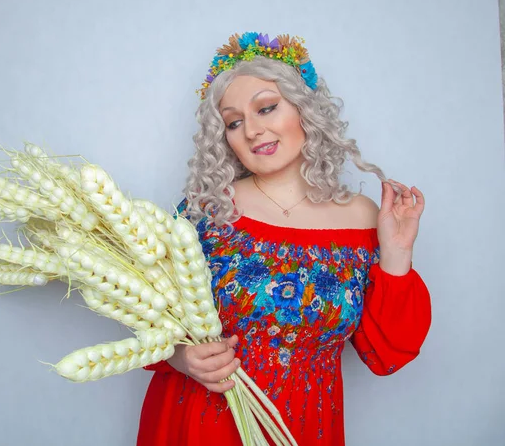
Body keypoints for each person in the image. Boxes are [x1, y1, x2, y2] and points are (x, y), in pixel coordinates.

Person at [137, 32, 432, 446]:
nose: (253, 130)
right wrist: (182, 358)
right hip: (201, 421)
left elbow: (387, 354)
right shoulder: (207, 211)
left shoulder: (365, 217)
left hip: (305, 427)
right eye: (234, 122)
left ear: (305, 110)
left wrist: (398, 253)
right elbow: (147, 313)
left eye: (267, 108)